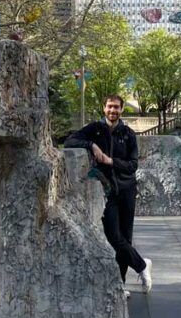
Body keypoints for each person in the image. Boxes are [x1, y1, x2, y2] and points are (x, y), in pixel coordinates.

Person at [65, 95, 152, 295]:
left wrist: (111, 161)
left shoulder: (128, 134)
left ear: (121, 110)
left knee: (125, 237)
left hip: (127, 189)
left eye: (117, 108)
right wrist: (91, 145)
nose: (113, 110)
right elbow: (70, 141)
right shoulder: (94, 129)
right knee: (113, 236)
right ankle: (142, 265)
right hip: (107, 191)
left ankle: (120, 284)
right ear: (104, 108)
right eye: (110, 107)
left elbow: (133, 165)